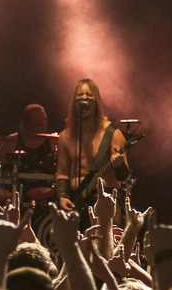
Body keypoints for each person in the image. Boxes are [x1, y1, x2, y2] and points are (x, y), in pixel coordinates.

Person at [55, 79, 129, 214]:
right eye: (80, 95)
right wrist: (63, 196)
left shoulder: (112, 133)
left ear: (96, 101)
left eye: (89, 95)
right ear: (74, 102)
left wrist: (119, 165)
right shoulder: (65, 137)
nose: (84, 98)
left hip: (105, 200)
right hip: (75, 201)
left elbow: (123, 175)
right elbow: (62, 174)